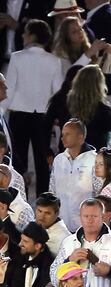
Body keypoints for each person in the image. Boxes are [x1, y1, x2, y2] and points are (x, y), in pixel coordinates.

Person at [6, 20, 62, 195]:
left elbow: (9, 88)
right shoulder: (54, 60)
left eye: (25, 32)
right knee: (42, 162)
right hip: (43, 117)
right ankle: (44, 201)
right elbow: (58, 92)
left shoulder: (16, 57)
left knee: (18, 160)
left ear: (32, 35)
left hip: (19, 115)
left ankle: (16, 197)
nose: (22, 35)